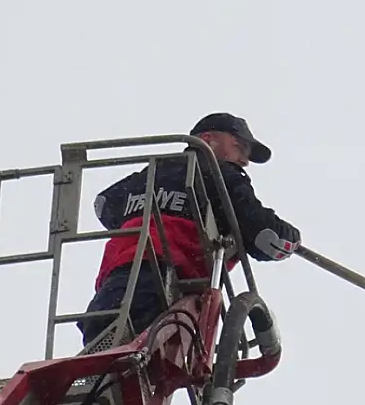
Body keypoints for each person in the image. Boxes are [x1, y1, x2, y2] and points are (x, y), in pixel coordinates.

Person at [77, 112, 301, 346]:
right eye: (239, 146)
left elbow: (105, 204)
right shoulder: (220, 174)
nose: (244, 160)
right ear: (207, 139)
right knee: (142, 353)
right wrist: (291, 238)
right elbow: (265, 236)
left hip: (117, 277)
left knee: (106, 339)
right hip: (171, 281)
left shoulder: (151, 174)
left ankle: (103, 368)